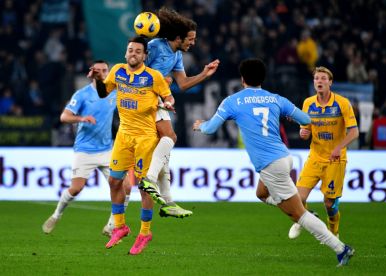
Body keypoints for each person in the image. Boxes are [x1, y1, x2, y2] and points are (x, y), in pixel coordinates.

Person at [192, 58, 354, 266]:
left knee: (298, 216)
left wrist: (199, 125)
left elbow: (210, 128)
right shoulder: (276, 99)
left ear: (242, 79)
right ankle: (300, 207)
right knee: (261, 194)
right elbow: (306, 119)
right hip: (284, 158)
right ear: (262, 79)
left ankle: (341, 248)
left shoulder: (232, 101)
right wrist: (288, 116)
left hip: (271, 165)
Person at [103, 6, 220, 232]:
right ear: (178, 37)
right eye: (191, 39)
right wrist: (159, 80)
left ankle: (155, 205)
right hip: (142, 102)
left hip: (158, 101)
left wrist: (204, 74)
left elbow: (183, 84)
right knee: (170, 137)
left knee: (163, 154)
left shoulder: (176, 55)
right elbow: (135, 66)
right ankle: (154, 187)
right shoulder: (155, 46)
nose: (193, 43)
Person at [90, 36, 175, 255]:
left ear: (145, 55)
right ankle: (120, 227)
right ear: (125, 53)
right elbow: (102, 93)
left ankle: (145, 232)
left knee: (144, 186)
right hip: (123, 135)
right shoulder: (117, 71)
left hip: (146, 137)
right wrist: (100, 78)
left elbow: (169, 97)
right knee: (114, 180)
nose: (133, 54)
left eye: (138, 51)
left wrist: (167, 103)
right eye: (130, 50)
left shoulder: (153, 76)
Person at [42, 60, 117, 234]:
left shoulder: (115, 92)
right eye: (98, 70)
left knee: (123, 186)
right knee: (76, 188)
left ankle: (111, 226)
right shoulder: (82, 95)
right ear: (92, 72)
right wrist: (82, 119)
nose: (102, 73)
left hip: (107, 149)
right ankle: (56, 214)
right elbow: (64, 117)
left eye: (105, 70)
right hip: (85, 149)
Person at [288, 66, 359, 241]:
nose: (319, 81)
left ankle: (333, 232)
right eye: (316, 78)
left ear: (330, 83)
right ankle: (302, 220)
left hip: (335, 159)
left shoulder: (342, 103)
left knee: (329, 204)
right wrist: (303, 133)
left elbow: (354, 132)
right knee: (298, 197)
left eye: (323, 78)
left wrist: (338, 148)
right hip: (315, 156)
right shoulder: (308, 103)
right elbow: (305, 130)